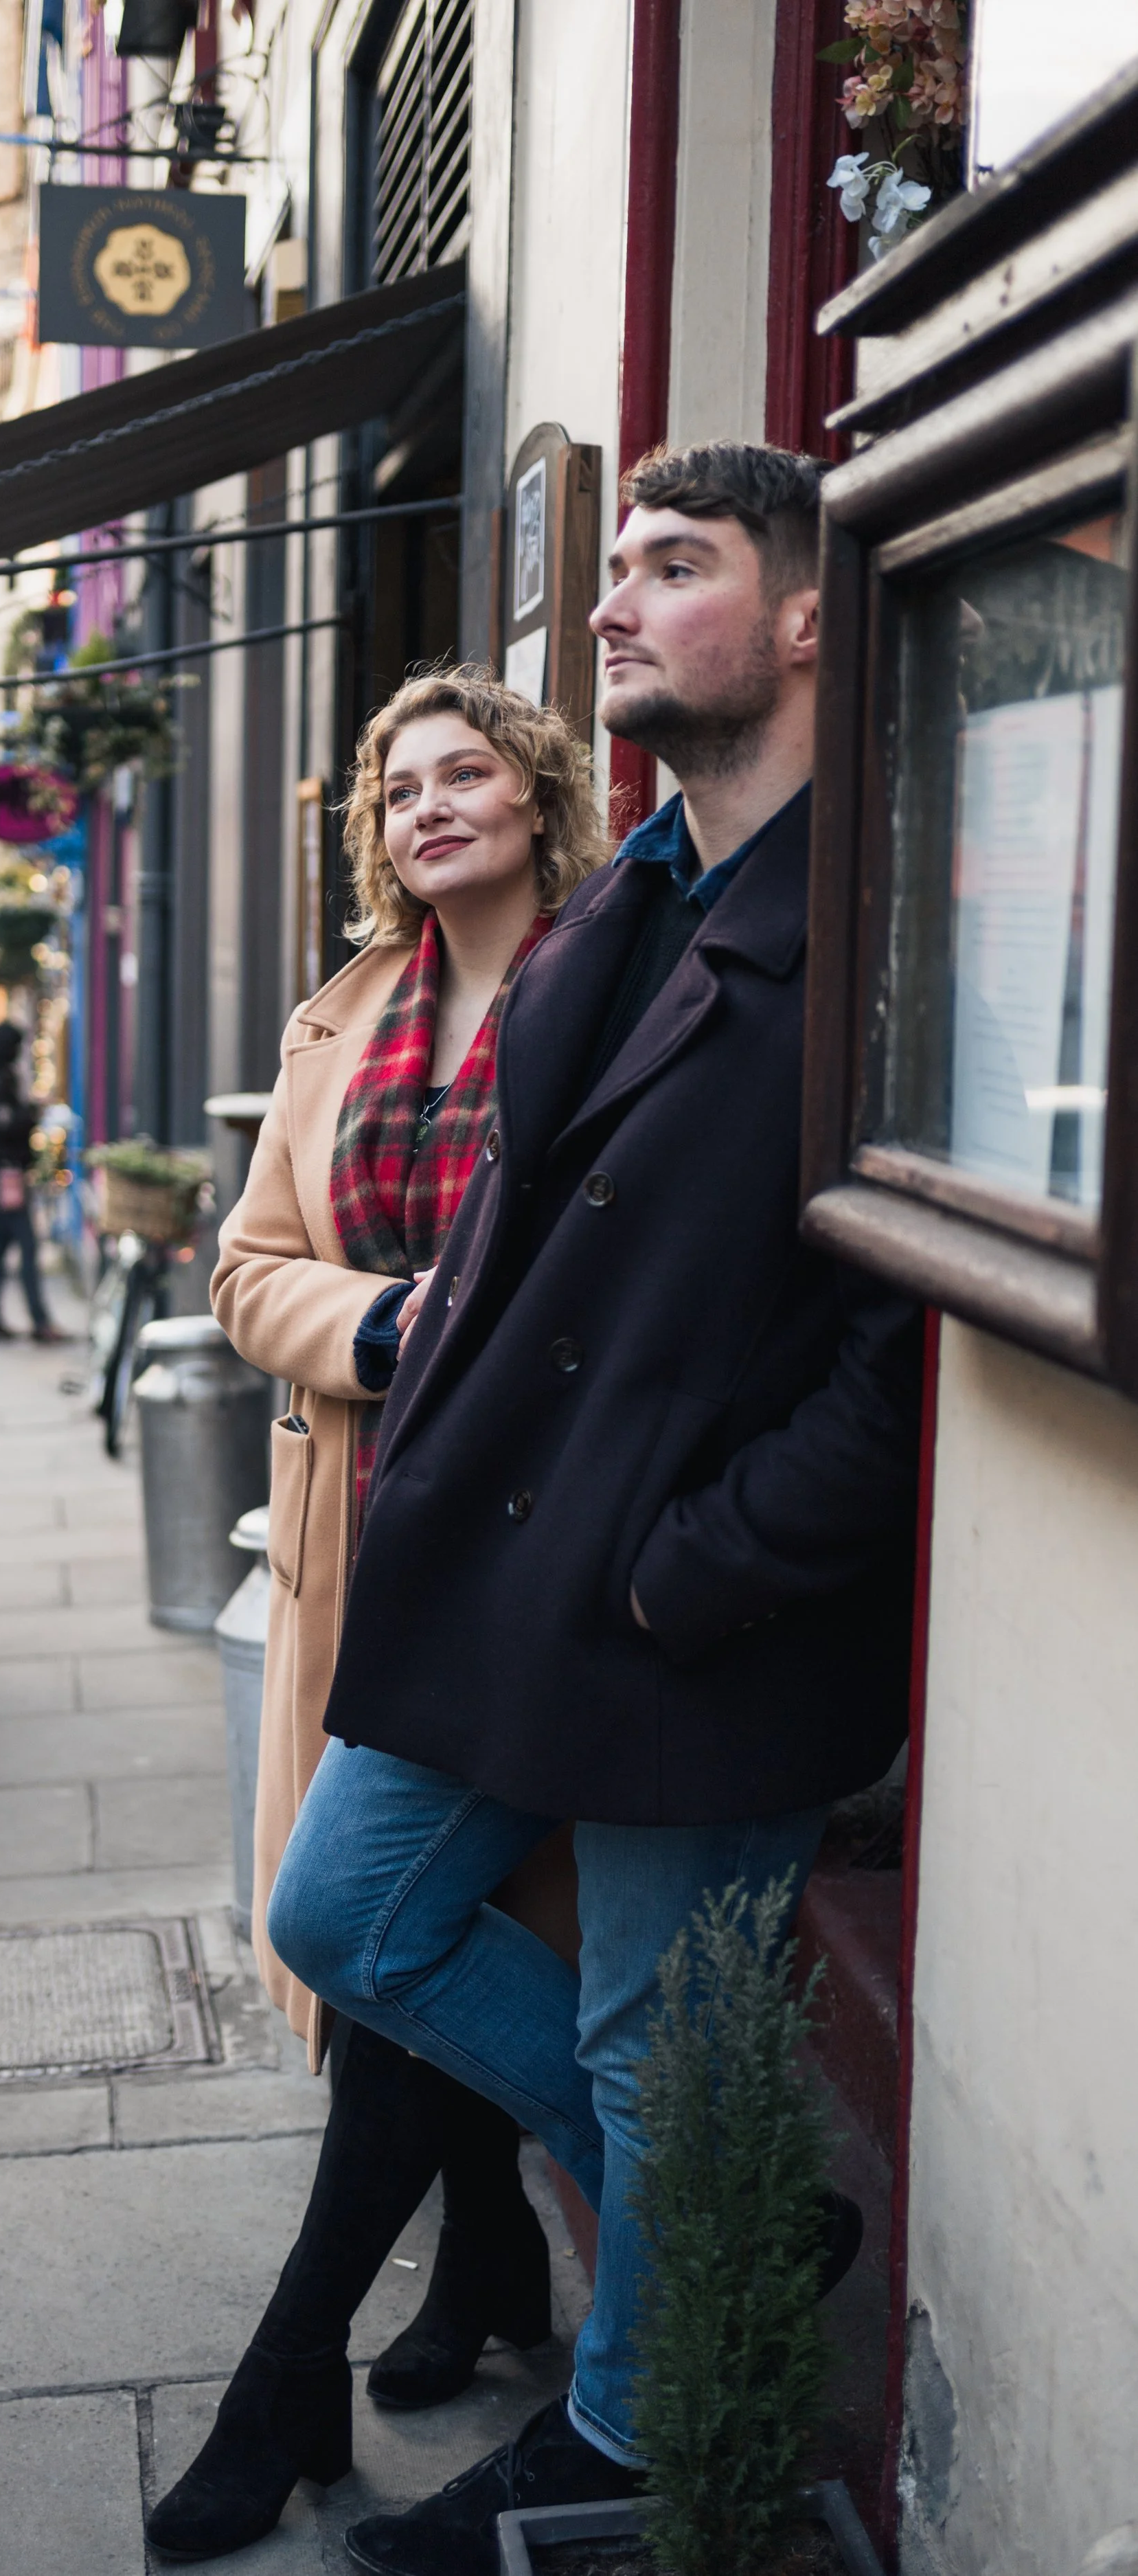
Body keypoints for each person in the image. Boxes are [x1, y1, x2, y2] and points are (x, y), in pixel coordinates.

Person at [262, 444, 922, 2576]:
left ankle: (629, 2439)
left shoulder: (880, 906)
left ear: (807, 611)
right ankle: (711, 2202)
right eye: (613, 563)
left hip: (687, 1599)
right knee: (341, 1911)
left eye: (672, 565)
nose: (614, 603)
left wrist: (698, 1556)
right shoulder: (630, 893)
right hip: (502, 1560)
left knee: (657, 2029)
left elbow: (903, 1339)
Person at [145, 671, 607, 2562]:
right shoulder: (337, 1015)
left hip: (543, 1537)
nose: (430, 805)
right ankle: (490, 2252)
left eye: (465, 770)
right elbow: (251, 1263)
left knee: (399, 1926)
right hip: (371, 1529)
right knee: (395, 1942)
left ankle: (286, 2367)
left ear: (536, 787)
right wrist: (381, 1322)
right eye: (398, 787)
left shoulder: (623, 974)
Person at [0, 1021, 62, 1344]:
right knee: (25, 1245)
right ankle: (38, 1320)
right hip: (5, 1173)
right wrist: (33, 1112)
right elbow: (5, 1124)